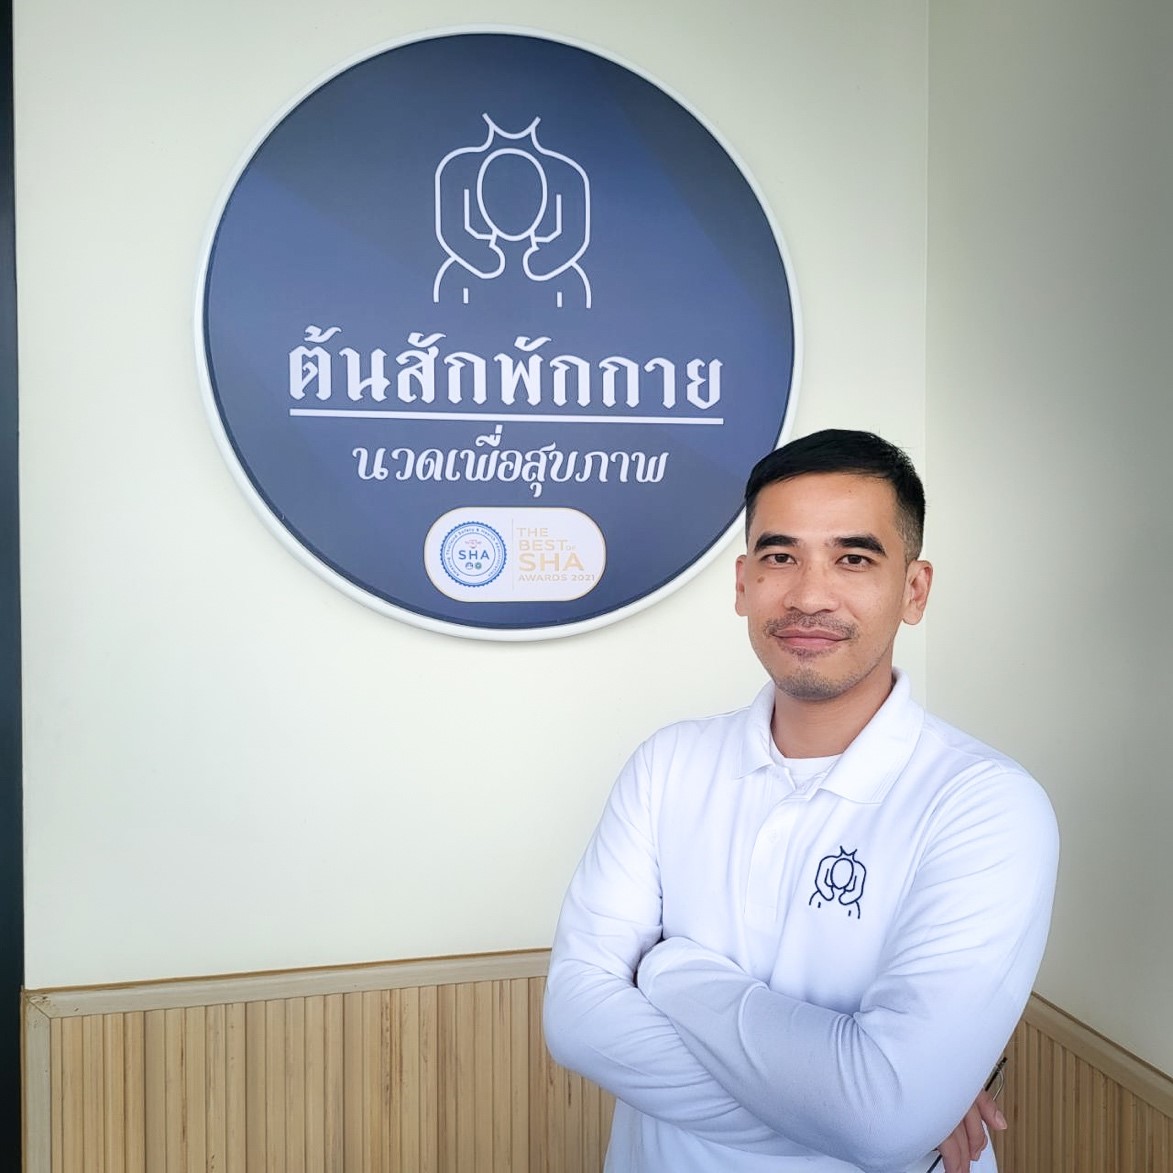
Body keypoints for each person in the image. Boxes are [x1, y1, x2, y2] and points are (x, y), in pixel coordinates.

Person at [543, 429, 1059, 1173]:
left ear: (914, 590)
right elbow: (576, 1021)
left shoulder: (985, 804)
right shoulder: (667, 764)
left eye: (854, 558)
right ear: (742, 583)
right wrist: (867, 1112)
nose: (809, 596)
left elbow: (882, 1113)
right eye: (780, 557)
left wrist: (666, 969)